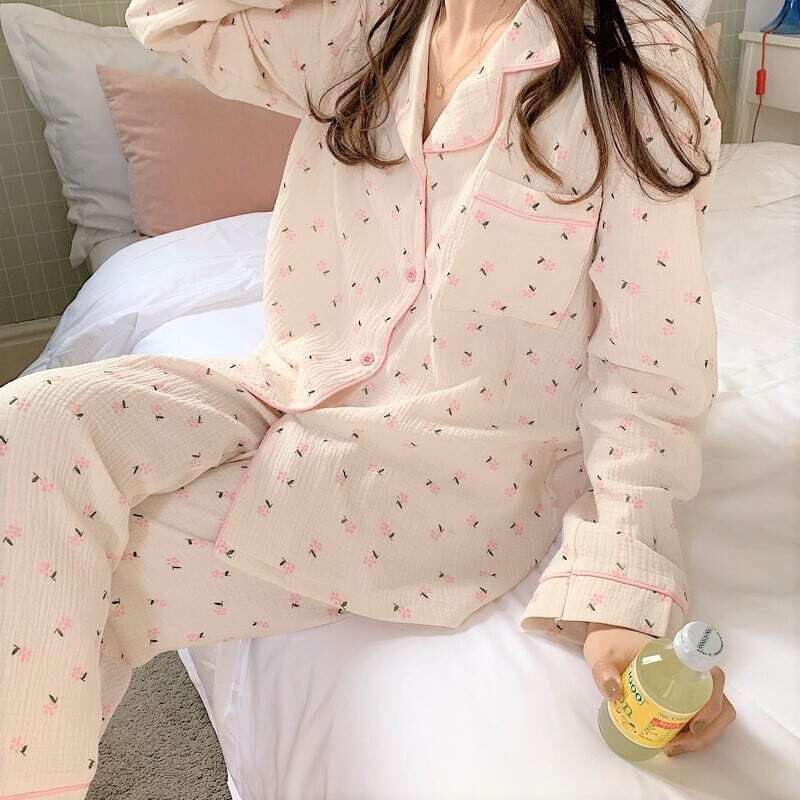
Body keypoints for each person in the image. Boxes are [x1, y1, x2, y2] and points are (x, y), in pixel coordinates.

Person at [0, 1, 736, 796]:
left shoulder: (633, 61)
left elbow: (648, 364)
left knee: (64, 572)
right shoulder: (367, 24)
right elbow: (171, 18)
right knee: (29, 421)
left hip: (450, 477)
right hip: (295, 385)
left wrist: (621, 593)